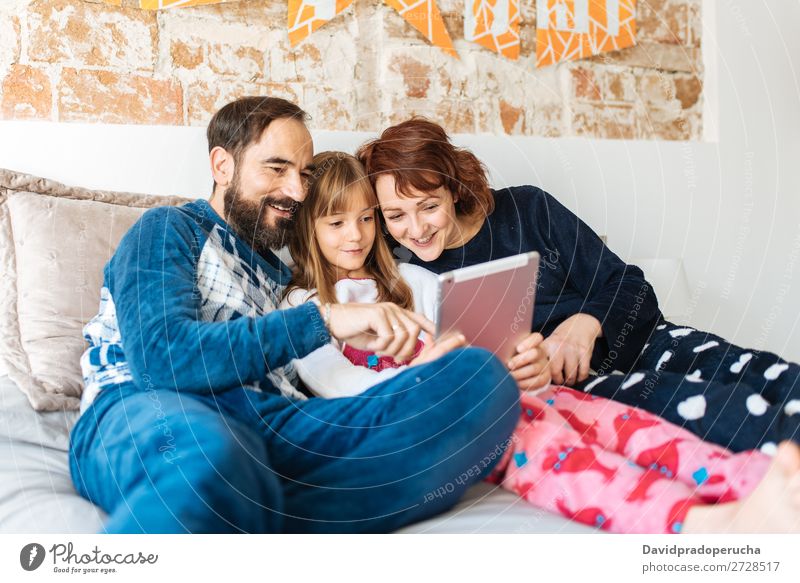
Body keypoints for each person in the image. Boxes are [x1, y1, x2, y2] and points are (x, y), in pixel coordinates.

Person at [280, 151, 800, 533]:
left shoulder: (412, 282)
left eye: (368, 218)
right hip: (452, 416)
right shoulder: (303, 310)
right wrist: (428, 374)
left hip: (524, 390)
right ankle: (707, 528)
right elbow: (341, 386)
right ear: (308, 228)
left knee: (634, 427)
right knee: (561, 459)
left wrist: (522, 356)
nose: (358, 234)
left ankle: (758, 483)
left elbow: (475, 342)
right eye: (337, 222)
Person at [68, 97, 521, 534]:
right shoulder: (168, 229)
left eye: (303, 174)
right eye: (277, 168)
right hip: (155, 408)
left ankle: (261, 514)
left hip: (279, 424)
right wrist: (322, 322)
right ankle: (259, 506)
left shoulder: (282, 278)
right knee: (209, 458)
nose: (296, 191)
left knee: (478, 380)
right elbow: (162, 360)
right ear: (222, 166)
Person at [357, 118, 800, 455]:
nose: (415, 228)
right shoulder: (408, 276)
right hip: (578, 388)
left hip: (650, 342)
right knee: (732, 413)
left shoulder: (529, 208)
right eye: (395, 215)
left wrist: (586, 323)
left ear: (453, 189)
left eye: (428, 206)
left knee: (768, 374)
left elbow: (630, 285)